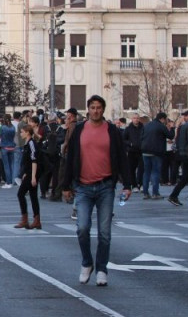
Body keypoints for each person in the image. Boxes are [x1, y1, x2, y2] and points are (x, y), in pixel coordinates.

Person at [62, 95, 133, 287]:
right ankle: (87, 262)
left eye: (99, 107)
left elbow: (122, 158)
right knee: (82, 228)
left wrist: (127, 185)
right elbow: (71, 158)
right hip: (83, 187)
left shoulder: (112, 131)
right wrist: (66, 186)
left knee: (104, 232)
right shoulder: (79, 130)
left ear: (103, 109)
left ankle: (102, 269)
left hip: (105, 186)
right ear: (88, 110)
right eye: (92, 107)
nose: (95, 111)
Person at [140, 112, 173, 200]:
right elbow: (170, 136)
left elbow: (141, 137)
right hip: (156, 152)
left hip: (145, 151)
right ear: (162, 119)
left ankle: (145, 193)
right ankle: (155, 193)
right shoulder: (161, 126)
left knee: (146, 172)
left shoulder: (147, 125)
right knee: (155, 172)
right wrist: (171, 128)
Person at [14, 126, 41, 230]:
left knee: (20, 194)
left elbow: (34, 160)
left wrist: (33, 176)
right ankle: (36, 220)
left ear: (27, 133)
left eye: (22, 132)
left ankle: (25, 219)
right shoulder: (27, 144)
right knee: (33, 196)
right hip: (29, 173)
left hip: (32, 173)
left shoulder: (31, 143)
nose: (21, 134)